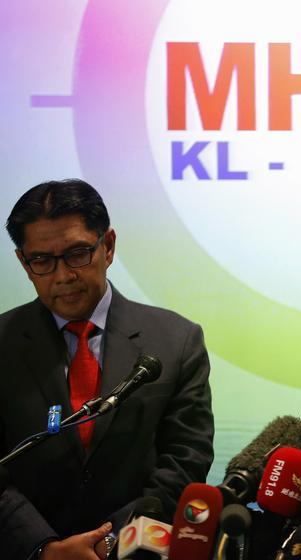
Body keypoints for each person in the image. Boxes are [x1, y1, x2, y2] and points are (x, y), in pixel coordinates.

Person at [0, 179, 214, 559]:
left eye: (77, 253)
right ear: (23, 262)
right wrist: (44, 548)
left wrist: (112, 540)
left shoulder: (176, 340)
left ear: (109, 246)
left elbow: (186, 459)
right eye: (42, 261)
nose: (63, 275)